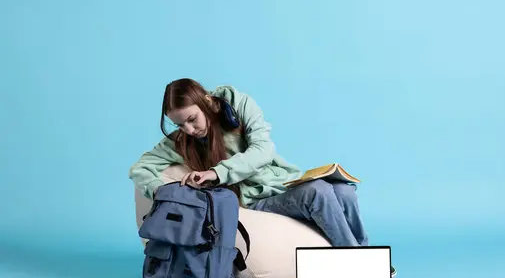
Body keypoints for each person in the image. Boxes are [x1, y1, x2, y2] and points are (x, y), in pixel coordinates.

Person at [128, 78, 369, 247]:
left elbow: (264, 150)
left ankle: (365, 256)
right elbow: (140, 168)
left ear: (205, 101)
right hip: (253, 200)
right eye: (180, 125)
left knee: (343, 191)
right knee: (318, 192)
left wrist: (216, 173)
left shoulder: (237, 105)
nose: (189, 130)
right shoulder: (180, 142)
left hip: (282, 184)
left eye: (192, 119)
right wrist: (162, 191)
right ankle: (359, 267)